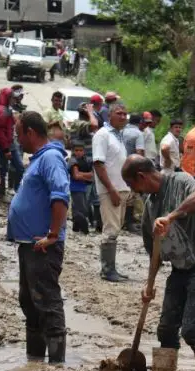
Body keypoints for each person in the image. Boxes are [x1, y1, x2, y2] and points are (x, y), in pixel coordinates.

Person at [122, 155, 195, 371]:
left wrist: (171, 217)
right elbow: (154, 254)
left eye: (133, 186)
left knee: (190, 329)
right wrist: (149, 285)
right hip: (179, 269)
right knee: (166, 329)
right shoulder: (149, 209)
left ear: (141, 178)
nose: (134, 192)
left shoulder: (180, 180)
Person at [6, 112, 70, 363]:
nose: (17, 139)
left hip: (43, 245)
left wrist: (52, 235)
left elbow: (60, 197)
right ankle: (34, 361)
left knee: (46, 300)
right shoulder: (39, 159)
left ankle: (56, 365)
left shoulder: (51, 158)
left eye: (18, 133)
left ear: (30, 133)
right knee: (30, 301)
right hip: (30, 244)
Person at [92, 103, 131, 282]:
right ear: (110, 116)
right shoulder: (103, 135)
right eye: (119, 113)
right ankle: (107, 270)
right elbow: (98, 164)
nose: (123, 117)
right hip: (111, 190)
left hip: (121, 189)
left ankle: (111, 268)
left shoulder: (118, 136)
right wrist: (111, 189)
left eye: (125, 114)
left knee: (116, 228)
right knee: (111, 229)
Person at [71, 104, 101, 231]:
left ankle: (96, 224)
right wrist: (91, 112)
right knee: (83, 198)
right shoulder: (79, 124)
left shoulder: (81, 125)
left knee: (94, 197)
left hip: (88, 165)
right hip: (82, 166)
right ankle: (80, 226)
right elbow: (94, 125)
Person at [0, 88, 17, 197]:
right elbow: (0, 132)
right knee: (3, 170)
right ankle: (1, 194)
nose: (13, 100)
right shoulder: (4, 111)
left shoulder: (0, 109)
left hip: (1, 145)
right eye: (11, 97)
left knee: (2, 169)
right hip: (3, 146)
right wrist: (6, 149)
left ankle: (1, 192)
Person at [68, 140, 94, 234]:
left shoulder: (85, 161)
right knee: (81, 209)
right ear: (73, 151)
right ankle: (84, 230)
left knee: (78, 208)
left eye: (80, 150)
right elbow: (76, 176)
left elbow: (92, 175)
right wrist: (86, 176)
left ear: (84, 151)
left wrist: (81, 175)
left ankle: (76, 228)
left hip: (82, 187)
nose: (78, 152)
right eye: (76, 150)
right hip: (75, 188)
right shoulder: (73, 161)